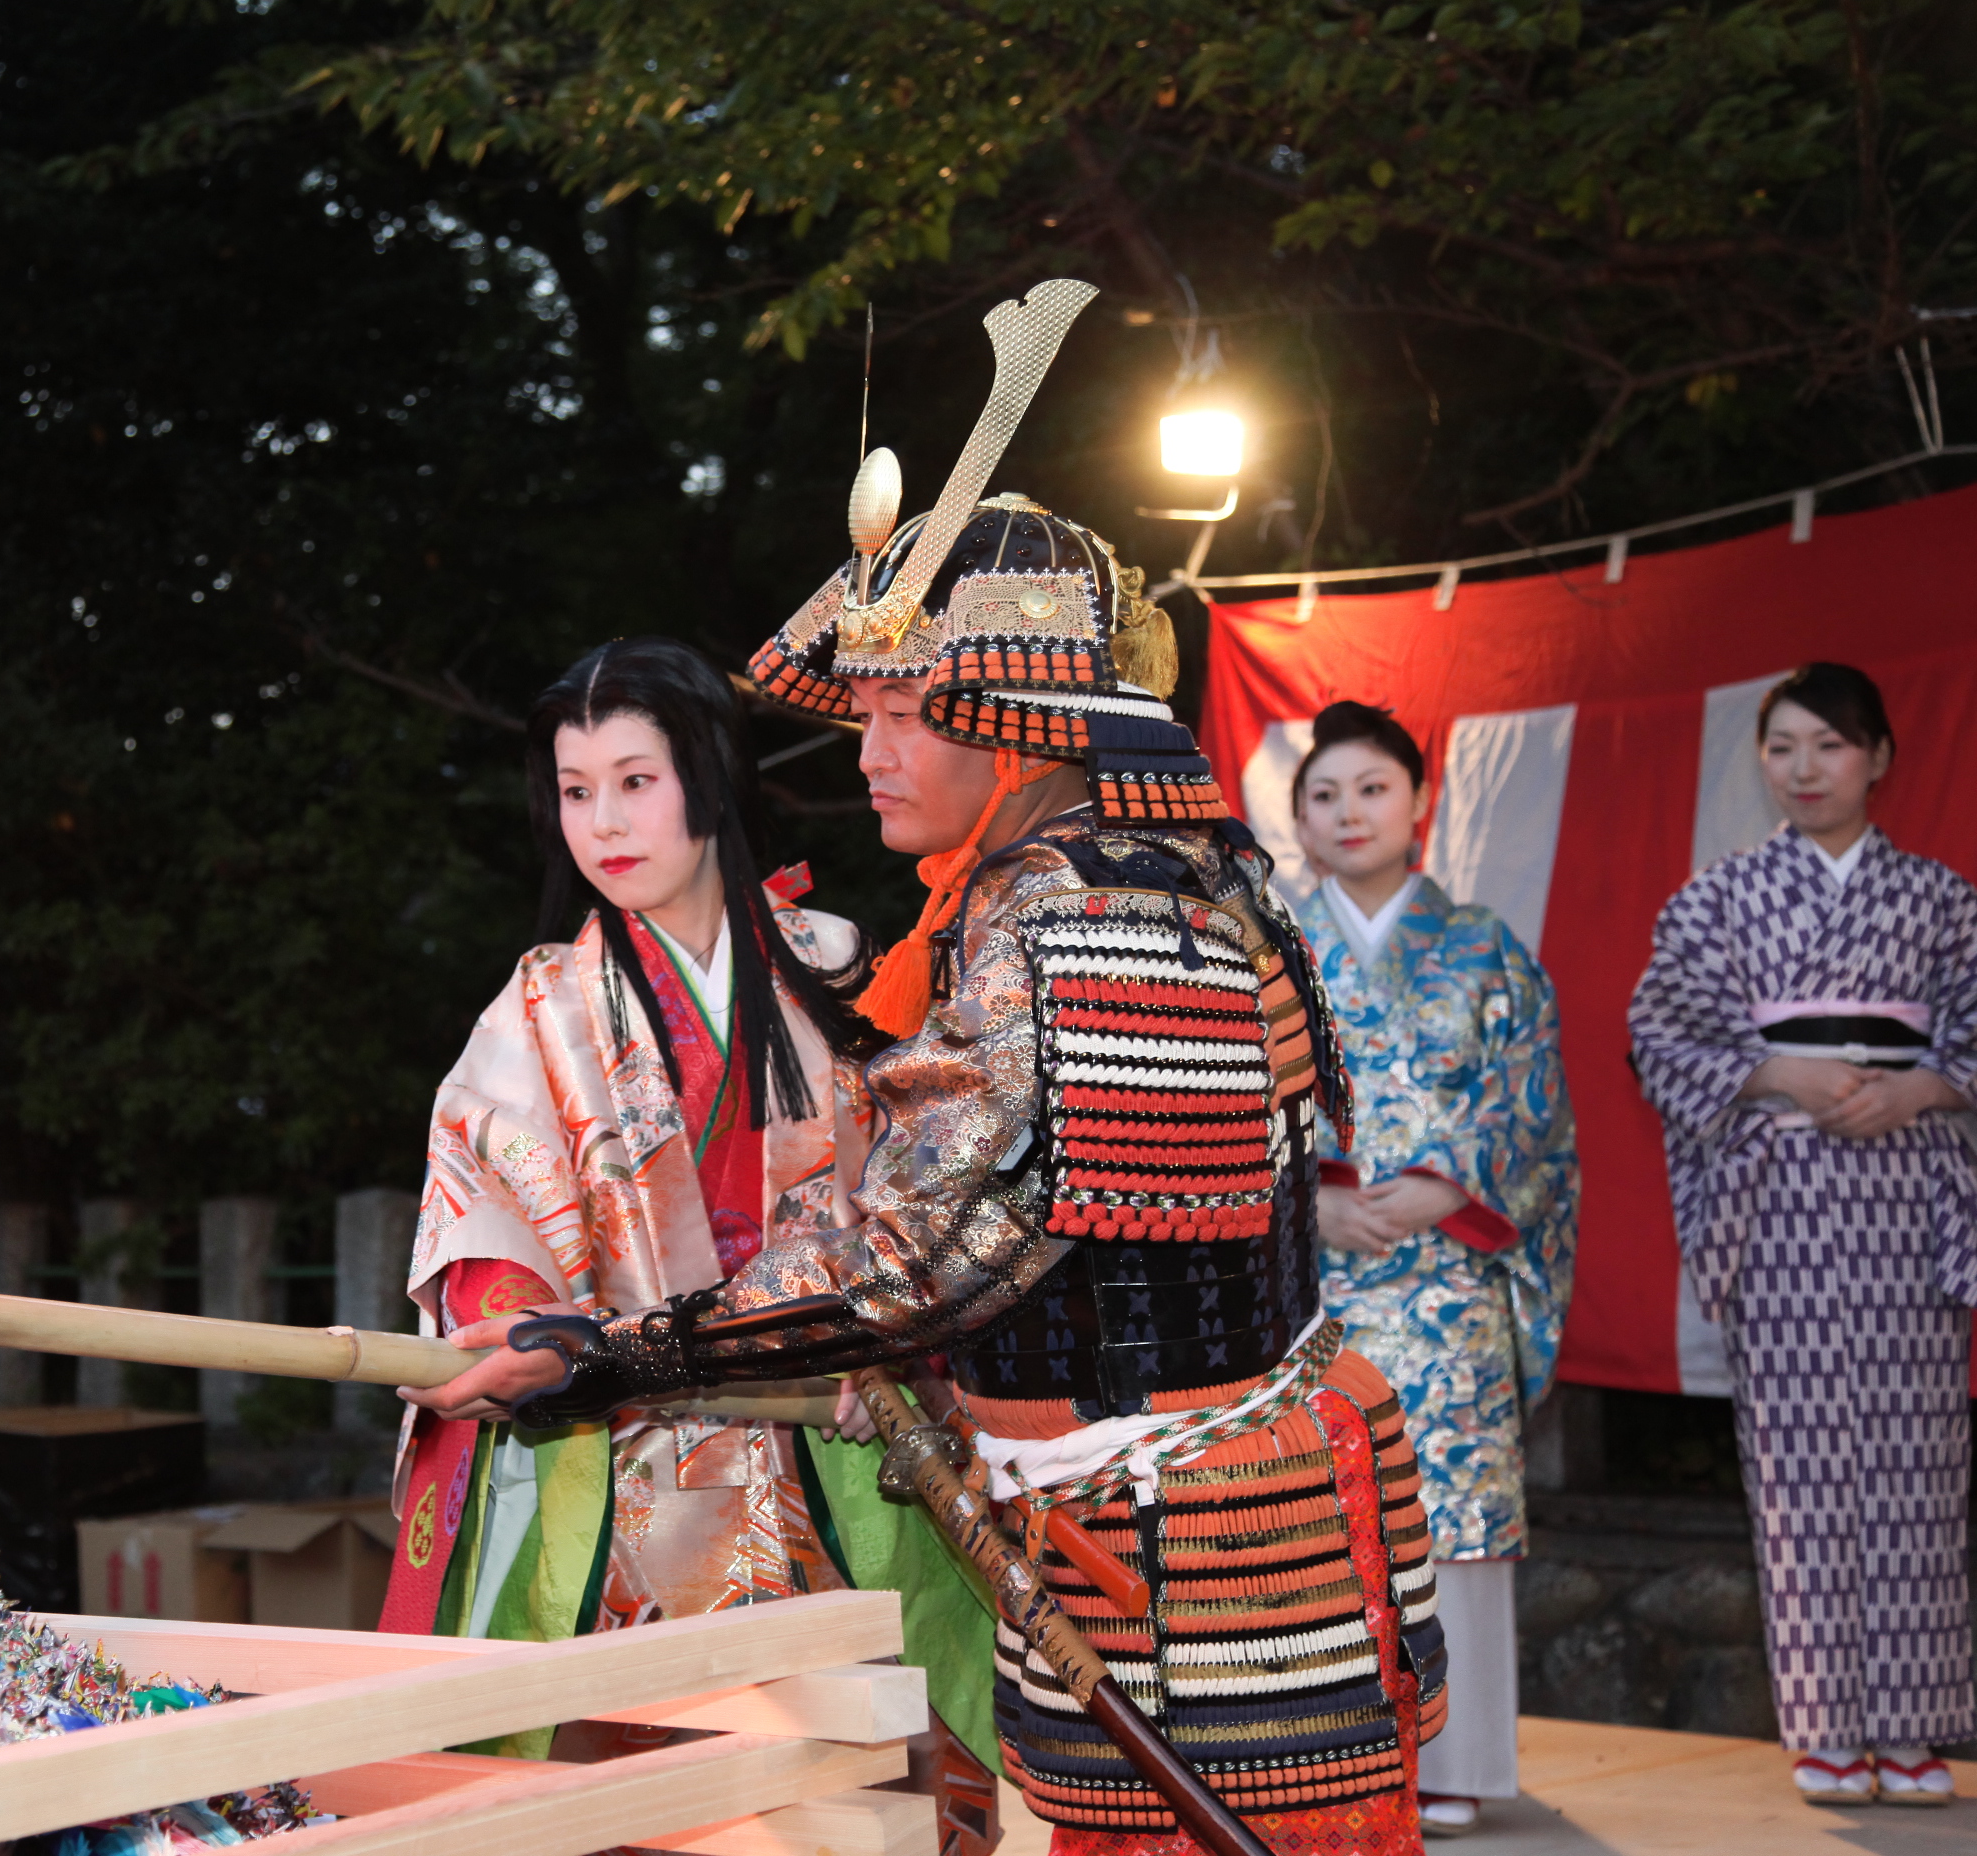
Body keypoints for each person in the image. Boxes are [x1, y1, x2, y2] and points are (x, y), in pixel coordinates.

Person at [414, 460, 1447, 1842]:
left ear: (1013, 722)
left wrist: (615, 1353)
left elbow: (911, 1265)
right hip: (1178, 1513)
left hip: (1179, 1549)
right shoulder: (1166, 874)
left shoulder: (1067, 923)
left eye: (904, 715)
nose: (868, 753)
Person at [387, 636, 1002, 1848]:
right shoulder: (539, 1009)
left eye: (634, 780)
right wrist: (522, 1310)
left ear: (708, 778)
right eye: (575, 790)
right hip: (632, 1452)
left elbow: (919, 1193)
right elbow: (484, 1193)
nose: (603, 823)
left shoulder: (841, 968)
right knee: (658, 1798)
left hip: (838, 1438)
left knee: (878, 1785)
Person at [1629, 662, 1977, 1809]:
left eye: (1830, 745)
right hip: (1779, 1202)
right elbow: (1661, 1033)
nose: (1806, 767)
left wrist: (1920, 1088)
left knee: (1921, 1460)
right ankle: (1827, 1723)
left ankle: (1915, 1725)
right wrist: (1780, 1066)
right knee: (1797, 1462)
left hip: (1906, 1204)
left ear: (1877, 755)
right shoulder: (1717, 898)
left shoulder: (1943, 900)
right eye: (1783, 746)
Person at [1293, 701, 1578, 1838]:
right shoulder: (1271, 949)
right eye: (1324, 794)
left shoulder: (1487, 950)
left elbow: (1537, 1111)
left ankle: (1450, 1759)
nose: (1348, 811)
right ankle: (1324, 1754)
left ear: (1421, 802)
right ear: (1298, 816)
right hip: (1309, 1290)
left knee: (1449, 1509)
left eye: (1371, 788)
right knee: (1312, 1510)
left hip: (1448, 1276)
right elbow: (1219, 1109)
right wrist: (1309, 1195)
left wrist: (1453, 1185)